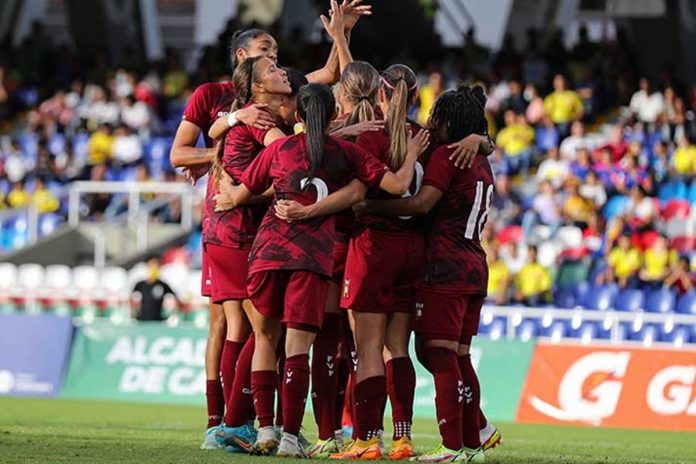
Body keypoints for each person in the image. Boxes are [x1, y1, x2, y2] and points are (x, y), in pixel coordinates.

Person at [168, 4, 370, 447]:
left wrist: (342, 33)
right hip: (233, 224)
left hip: (268, 229)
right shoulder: (222, 102)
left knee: (263, 331)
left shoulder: (276, 107)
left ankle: (255, 424)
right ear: (245, 60)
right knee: (235, 327)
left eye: (278, 54)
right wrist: (223, 145)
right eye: (268, 53)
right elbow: (180, 156)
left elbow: (333, 76)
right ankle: (224, 422)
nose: (280, 62)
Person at [214, 83, 428, 458]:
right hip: (312, 258)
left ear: (297, 116)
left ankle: (266, 429)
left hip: (267, 253)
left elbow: (247, 188)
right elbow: (396, 184)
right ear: (333, 116)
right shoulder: (344, 153)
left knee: (265, 339)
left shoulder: (280, 149)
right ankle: (290, 438)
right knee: (299, 347)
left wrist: (230, 192)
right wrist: (410, 153)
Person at [353, 84, 498, 463]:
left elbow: (420, 204)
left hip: (444, 266)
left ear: (448, 122)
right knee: (456, 355)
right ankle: (473, 439)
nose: (430, 124)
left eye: (436, 119)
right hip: (474, 265)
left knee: (438, 354)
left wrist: (368, 206)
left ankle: (453, 446)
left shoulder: (449, 156)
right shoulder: (481, 159)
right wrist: (482, 139)